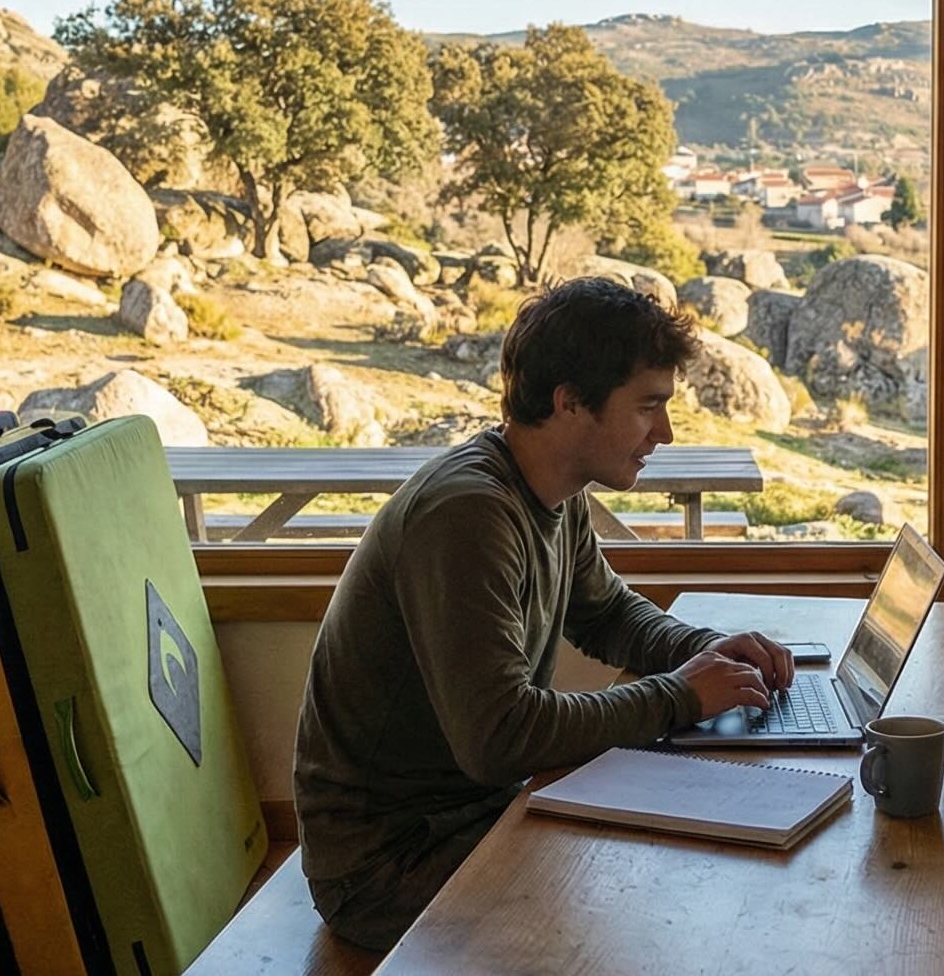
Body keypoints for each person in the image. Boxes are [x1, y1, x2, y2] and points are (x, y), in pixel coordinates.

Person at [293, 278, 795, 951]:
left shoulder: (553, 491)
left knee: (687, 869)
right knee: (667, 909)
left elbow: (608, 613)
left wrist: (704, 651)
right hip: (388, 867)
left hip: (475, 816)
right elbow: (500, 738)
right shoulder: (467, 514)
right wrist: (679, 695)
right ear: (569, 403)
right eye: (648, 406)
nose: (665, 433)